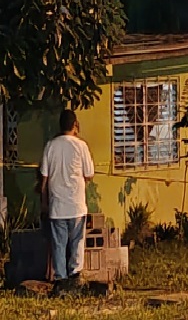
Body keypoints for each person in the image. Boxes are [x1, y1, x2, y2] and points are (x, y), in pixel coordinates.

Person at [40, 109, 95, 295]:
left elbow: (44, 178)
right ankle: (75, 275)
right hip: (77, 204)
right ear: (75, 125)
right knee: (77, 242)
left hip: (57, 205)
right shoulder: (81, 146)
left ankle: (61, 280)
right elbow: (89, 175)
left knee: (59, 243)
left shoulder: (50, 146)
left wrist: (44, 203)